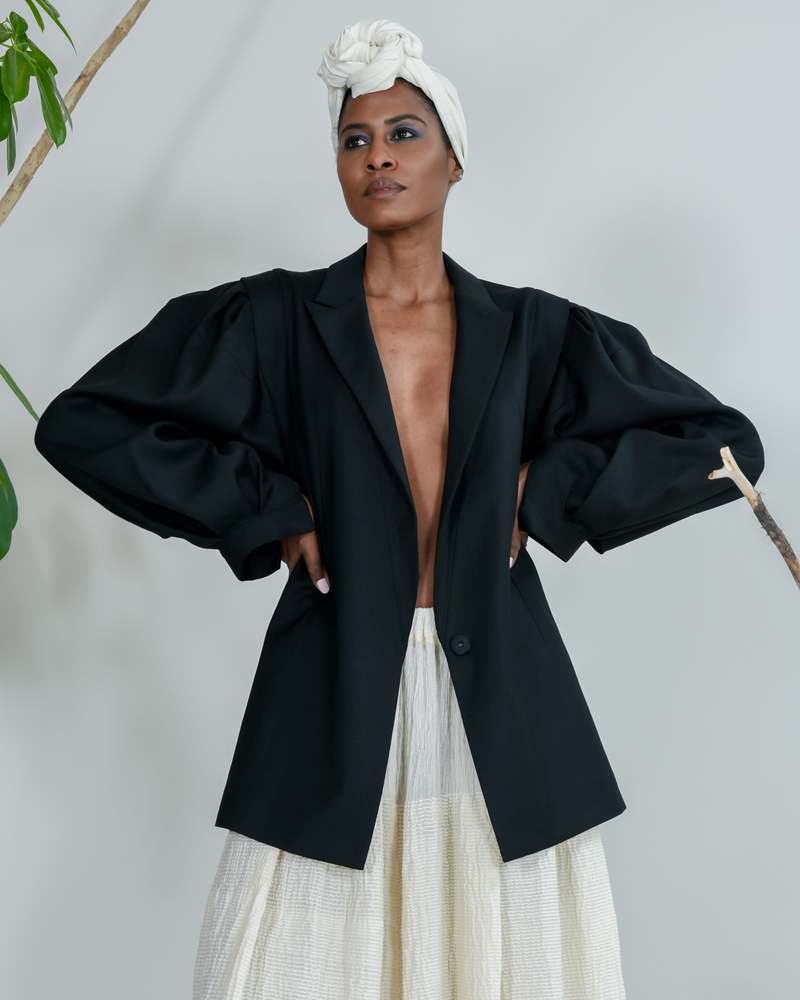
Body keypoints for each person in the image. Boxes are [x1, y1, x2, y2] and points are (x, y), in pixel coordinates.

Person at [33, 18, 765, 1000]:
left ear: (454, 159)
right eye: (355, 139)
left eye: (403, 133)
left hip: (502, 711)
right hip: (329, 698)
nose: (377, 155)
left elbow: (720, 444)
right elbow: (84, 424)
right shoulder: (273, 320)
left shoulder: (535, 332)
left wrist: (547, 491)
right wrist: (264, 509)